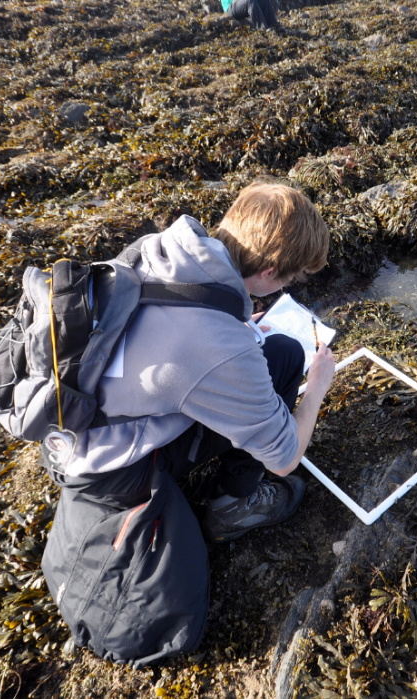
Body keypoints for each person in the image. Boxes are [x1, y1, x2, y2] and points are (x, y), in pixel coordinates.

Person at [57, 182, 336, 543]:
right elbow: (283, 460)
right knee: (288, 360)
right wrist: (316, 388)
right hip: (112, 471)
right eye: (290, 277)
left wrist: (237, 322)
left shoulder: (162, 250)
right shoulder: (223, 348)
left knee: (280, 351)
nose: (289, 284)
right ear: (269, 272)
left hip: (71, 425)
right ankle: (232, 507)